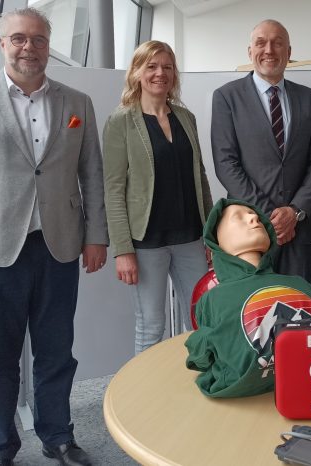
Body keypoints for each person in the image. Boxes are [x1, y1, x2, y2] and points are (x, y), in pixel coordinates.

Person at [0, 8, 107, 466]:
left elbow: (92, 174)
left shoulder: (77, 102)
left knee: (56, 352)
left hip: (59, 245)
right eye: (19, 39)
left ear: (49, 45)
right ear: (3, 43)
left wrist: (97, 236)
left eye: (39, 40)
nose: (29, 47)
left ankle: (58, 436)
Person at [103, 41, 212, 354]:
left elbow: (200, 177)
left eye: (166, 66)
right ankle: (142, 400)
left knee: (201, 320)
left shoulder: (185, 118)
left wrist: (210, 235)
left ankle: (196, 389)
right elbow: (113, 189)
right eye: (151, 66)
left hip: (191, 238)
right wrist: (122, 249)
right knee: (151, 325)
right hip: (146, 242)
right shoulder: (121, 121)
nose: (159, 73)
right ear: (137, 73)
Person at [211, 19, 311, 283]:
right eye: (261, 43)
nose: (269, 50)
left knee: (298, 310)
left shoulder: (308, 98)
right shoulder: (226, 97)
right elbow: (225, 163)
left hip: (298, 231)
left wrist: (295, 212)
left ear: (289, 52)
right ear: (250, 51)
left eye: (278, 43)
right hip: (249, 231)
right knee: (252, 313)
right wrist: (271, 217)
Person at [185, 199, 311, 397]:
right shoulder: (213, 298)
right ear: (217, 241)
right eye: (238, 217)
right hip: (262, 404)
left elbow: (201, 355)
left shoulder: (299, 284)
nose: (253, 217)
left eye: (254, 215)